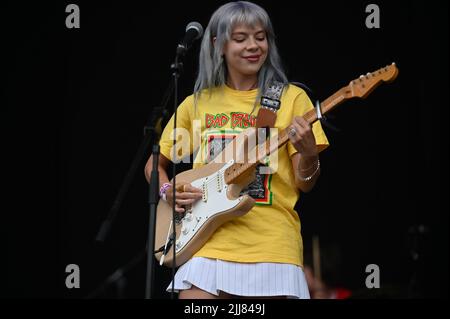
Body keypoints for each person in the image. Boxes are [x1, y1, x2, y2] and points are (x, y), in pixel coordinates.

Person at [145, 1, 329, 299]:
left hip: (273, 247)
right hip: (208, 243)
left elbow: (305, 184)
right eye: (241, 38)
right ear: (219, 45)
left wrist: (309, 154)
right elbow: (155, 164)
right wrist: (168, 189)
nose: (253, 46)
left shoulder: (292, 99)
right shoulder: (197, 104)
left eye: (260, 37)